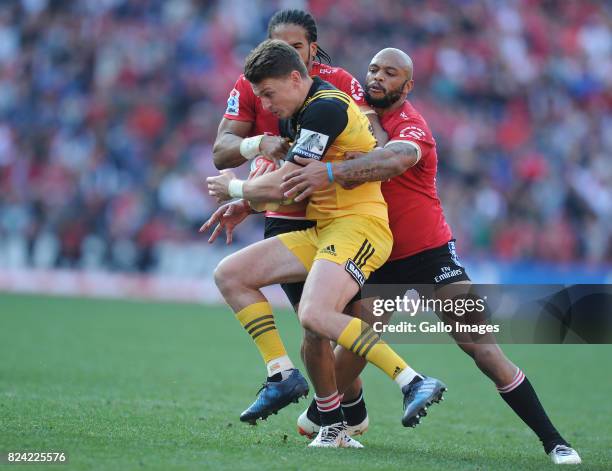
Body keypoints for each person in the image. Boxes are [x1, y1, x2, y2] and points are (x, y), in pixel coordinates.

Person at [279, 47, 581, 465]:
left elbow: (391, 160)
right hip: (378, 256)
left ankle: (555, 441)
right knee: (351, 345)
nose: (377, 77)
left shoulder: (411, 124)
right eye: (373, 70)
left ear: (408, 85)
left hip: (429, 255)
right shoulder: (350, 114)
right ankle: (329, 421)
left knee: (481, 347)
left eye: (390, 73)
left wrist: (332, 171)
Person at [207, 40, 446, 448]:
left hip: (360, 227)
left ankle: (413, 380)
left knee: (315, 315)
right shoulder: (298, 114)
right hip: (325, 229)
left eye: (269, 93)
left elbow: (284, 186)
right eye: (259, 96)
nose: (264, 105)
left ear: (296, 77)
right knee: (231, 274)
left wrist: (236, 188)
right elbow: (286, 182)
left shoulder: (326, 108)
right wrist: (248, 197)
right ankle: (287, 380)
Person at [207, 9, 384, 431]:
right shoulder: (251, 84)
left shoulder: (337, 83)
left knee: (353, 318)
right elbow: (222, 151)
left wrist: (245, 191)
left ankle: (347, 405)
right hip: (287, 213)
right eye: (283, 46)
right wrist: (259, 145)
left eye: (299, 47)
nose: (293, 54)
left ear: (312, 48)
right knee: (317, 324)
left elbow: (374, 143)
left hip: (343, 215)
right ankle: (331, 412)